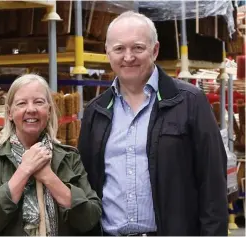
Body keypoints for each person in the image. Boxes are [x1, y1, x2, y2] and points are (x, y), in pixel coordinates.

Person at [78, 11, 228, 236]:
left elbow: (213, 185)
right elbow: (86, 185)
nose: (128, 57)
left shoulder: (189, 102)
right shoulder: (96, 111)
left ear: (155, 50)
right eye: (119, 49)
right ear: (107, 52)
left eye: (138, 47)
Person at [0, 74, 102, 236]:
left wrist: (48, 177)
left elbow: (89, 218)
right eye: (21, 103)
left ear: (49, 110)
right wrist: (24, 170)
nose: (31, 109)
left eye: (39, 102)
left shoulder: (69, 157)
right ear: (10, 113)